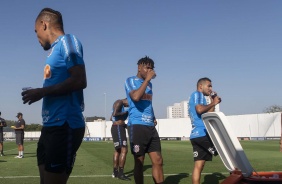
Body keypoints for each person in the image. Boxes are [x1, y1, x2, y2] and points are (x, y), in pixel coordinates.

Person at [21, 8, 87, 184]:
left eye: (36, 32)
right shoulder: (53, 52)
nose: (37, 37)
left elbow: (80, 80)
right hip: (50, 126)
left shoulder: (68, 41)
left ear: (44, 24)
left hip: (65, 125)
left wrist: (41, 92)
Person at [125, 56, 164, 184]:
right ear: (139, 67)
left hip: (150, 126)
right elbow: (136, 97)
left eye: (151, 68)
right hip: (137, 125)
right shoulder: (130, 80)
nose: (150, 70)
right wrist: (147, 80)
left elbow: (148, 103)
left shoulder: (150, 85)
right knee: (139, 161)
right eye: (147, 67)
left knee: (158, 160)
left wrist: (153, 116)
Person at [188, 77, 221, 184]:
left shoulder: (201, 97)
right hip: (202, 134)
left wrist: (213, 102)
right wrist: (213, 103)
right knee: (224, 152)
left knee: (199, 166)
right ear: (201, 86)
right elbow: (199, 109)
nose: (211, 88)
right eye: (209, 86)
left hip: (196, 136)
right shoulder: (197, 94)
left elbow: (206, 114)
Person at [110, 98, 131, 181]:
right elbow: (115, 114)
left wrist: (123, 124)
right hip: (118, 128)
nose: (128, 106)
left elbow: (111, 118)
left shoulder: (118, 104)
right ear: (127, 100)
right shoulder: (119, 102)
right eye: (129, 103)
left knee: (118, 150)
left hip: (118, 127)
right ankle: (120, 174)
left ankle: (115, 172)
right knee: (124, 149)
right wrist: (125, 112)